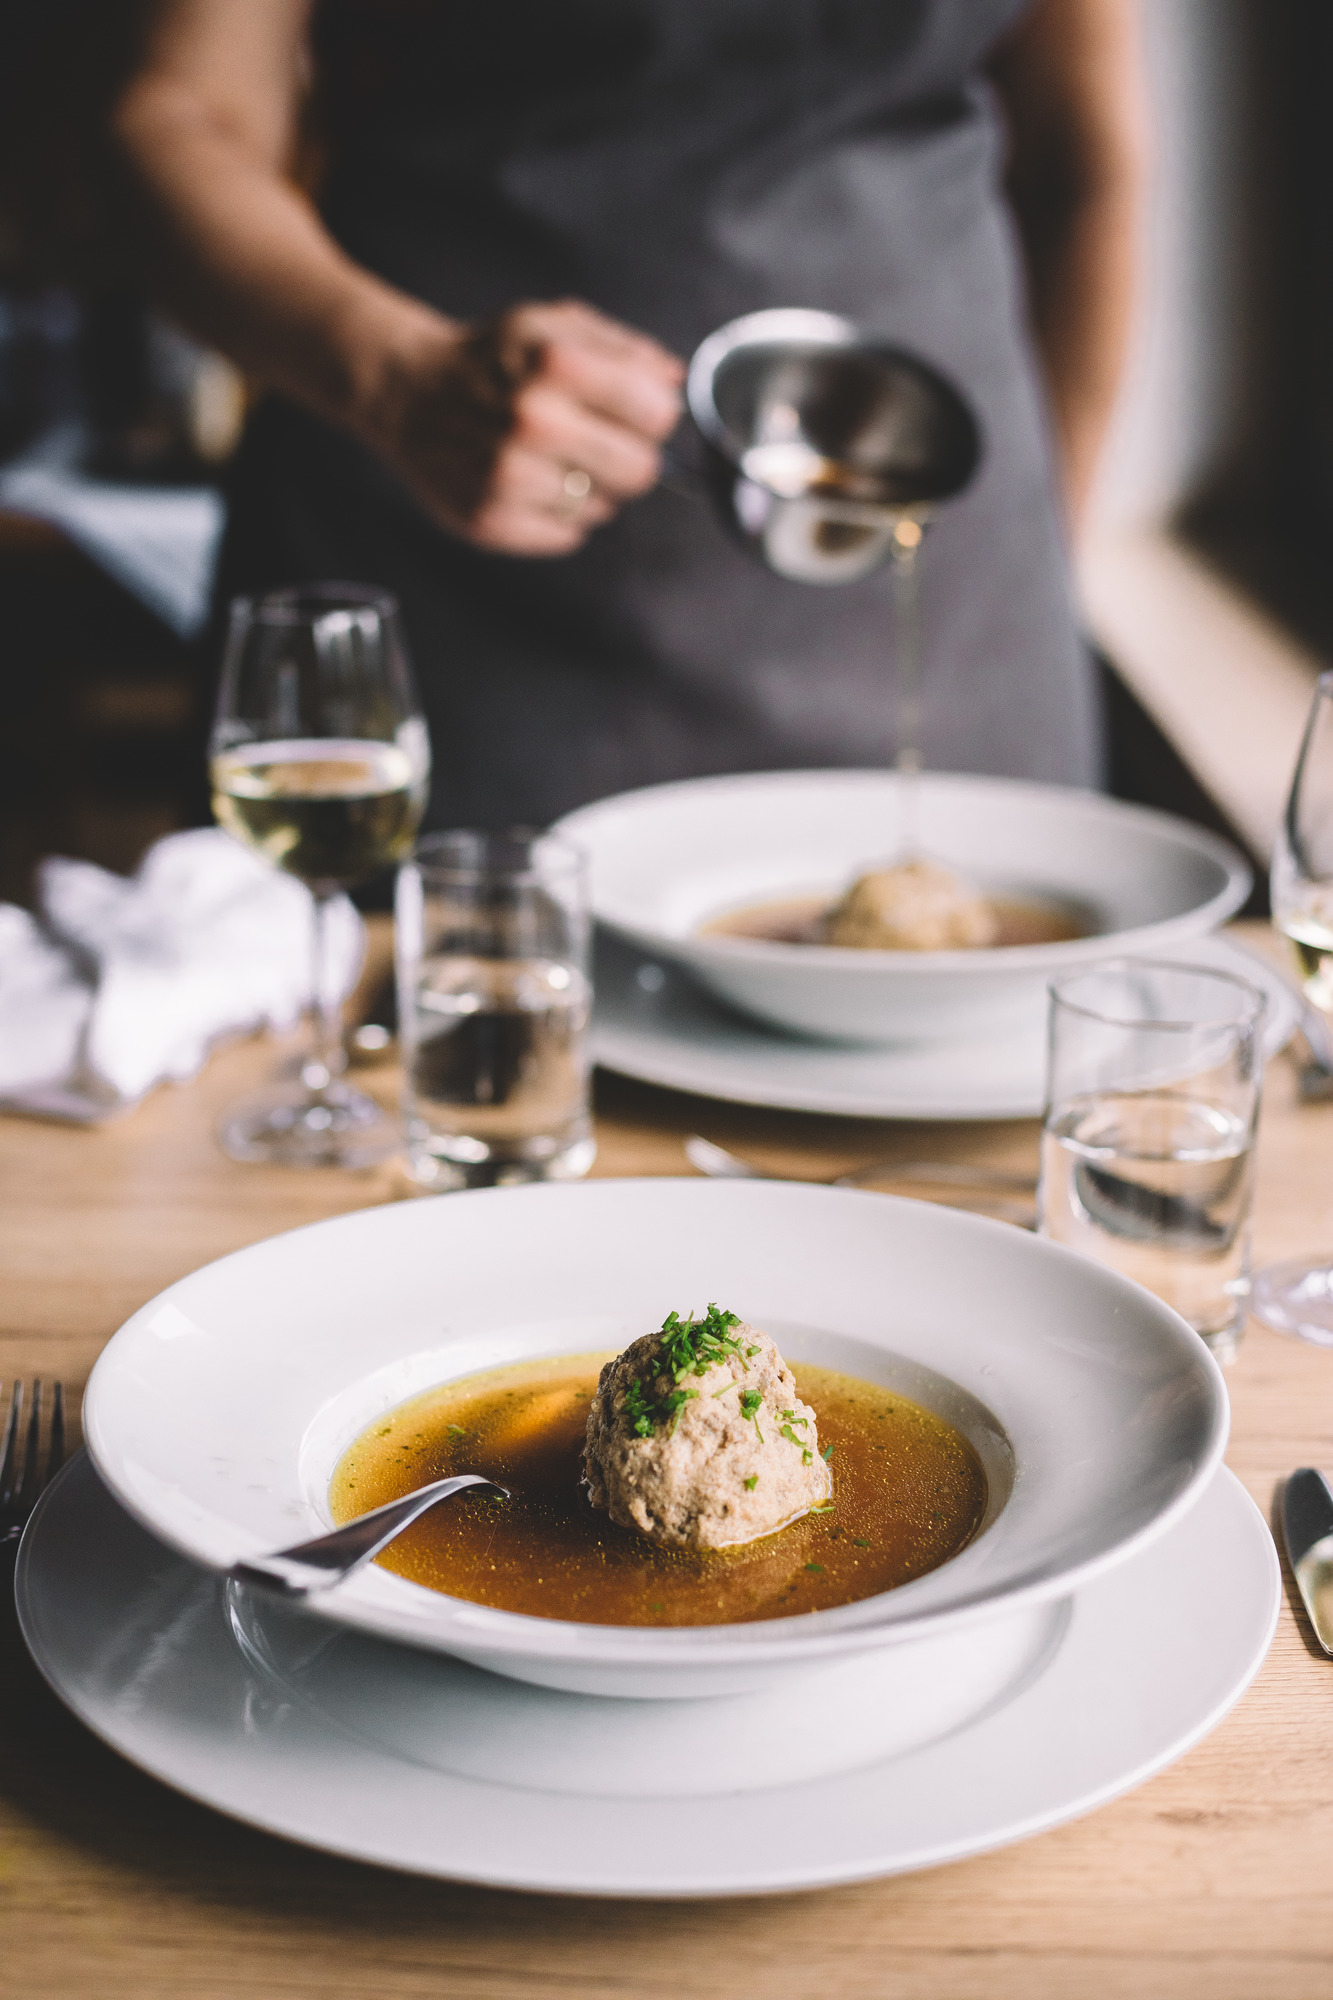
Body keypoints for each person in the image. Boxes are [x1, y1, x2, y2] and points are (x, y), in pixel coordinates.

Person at [112, 0, 1144, 828]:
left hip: (952, 611)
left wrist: (1052, 544)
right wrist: (393, 375)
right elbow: (175, 116)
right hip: (450, 591)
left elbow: (1085, 158)